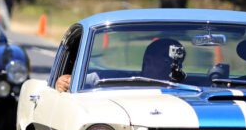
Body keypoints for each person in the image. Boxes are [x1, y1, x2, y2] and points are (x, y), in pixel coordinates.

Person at [55, 38, 186, 92]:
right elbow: (79, 81)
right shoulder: (116, 80)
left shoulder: (191, 88)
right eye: (165, 59)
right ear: (148, 60)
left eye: (176, 61)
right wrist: (64, 81)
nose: (171, 65)